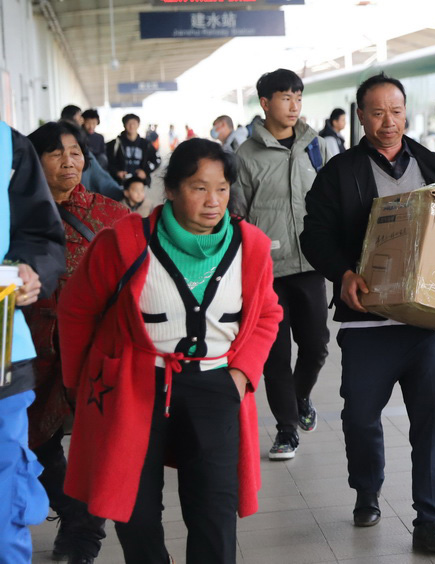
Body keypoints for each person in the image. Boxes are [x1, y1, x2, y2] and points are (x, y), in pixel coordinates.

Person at [301, 73, 435, 554]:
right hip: (366, 321)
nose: (387, 122)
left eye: (395, 111)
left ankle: (431, 519)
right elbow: (314, 236)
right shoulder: (339, 173)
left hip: (429, 321)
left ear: (405, 111)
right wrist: (342, 273)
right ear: (360, 116)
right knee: (359, 416)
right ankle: (367, 487)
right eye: (376, 112)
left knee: (432, 420)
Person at [56, 139, 282, 563]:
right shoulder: (123, 243)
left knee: (214, 513)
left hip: (217, 385)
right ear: (172, 189)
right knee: (136, 513)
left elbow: (268, 315)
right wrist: (79, 384)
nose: (213, 201)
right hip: (134, 388)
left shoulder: (249, 247)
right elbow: (76, 311)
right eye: (199, 188)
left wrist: (241, 375)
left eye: (222, 188)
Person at [25, 121, 130, 564]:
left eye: (75, 152)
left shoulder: (109, 214)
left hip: (95, 349)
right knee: (34, 440)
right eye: (55, 153)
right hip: (35, 349)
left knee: (99, 440)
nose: (69, 161)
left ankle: (84, 538)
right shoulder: (19, 217)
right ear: (34, 162)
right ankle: (72, 511)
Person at [235, 68, 329, 461]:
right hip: (266, 272)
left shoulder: (314, 146)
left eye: (298, 97)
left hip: (309, 264)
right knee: (274, 355)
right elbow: (237, 215)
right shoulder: (244, 156)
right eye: (285, 97)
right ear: (265, 103)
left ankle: (300, 396)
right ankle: (286, 429)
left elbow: (328, 202)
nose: (293, 105)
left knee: (316, 347)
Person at [0, 120, 65, 564]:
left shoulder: (8, 145)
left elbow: (39, 231)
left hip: (4, 349)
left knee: (7, 491)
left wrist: (27, 267)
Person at [106, 113, 159, 187]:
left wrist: (145, 172)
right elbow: (108, 161)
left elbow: (157, 160)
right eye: (128, 123)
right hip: (120, 182)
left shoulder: (146, 144)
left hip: (139, 181)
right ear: (124, 125)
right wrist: (117, 172)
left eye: (134, 123)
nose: (131, 126)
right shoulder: (115, 143)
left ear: (138, 125)